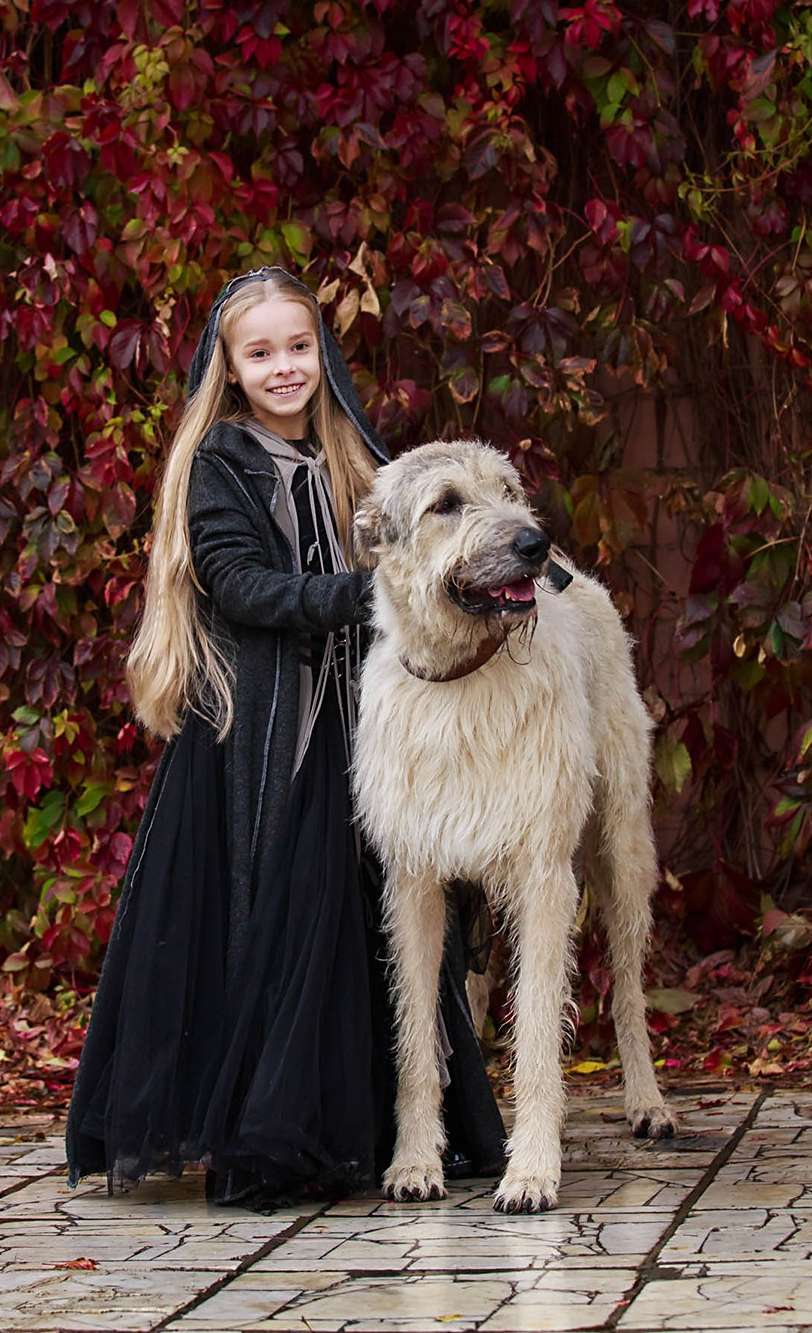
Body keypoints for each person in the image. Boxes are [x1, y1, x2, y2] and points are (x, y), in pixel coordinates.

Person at [65, 267, 505, 1207]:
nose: (284, 366)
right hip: (259, 740)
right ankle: (267, 1130)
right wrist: (370, 592)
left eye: (298, 346)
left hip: (362, 730)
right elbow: (241, 585)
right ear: (227, 365)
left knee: (370, 918)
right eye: (259, 352)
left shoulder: (357, 451)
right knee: (271, 913)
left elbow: (435, 547)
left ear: (323, 350)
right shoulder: (220, 463)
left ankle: (387, 1127)